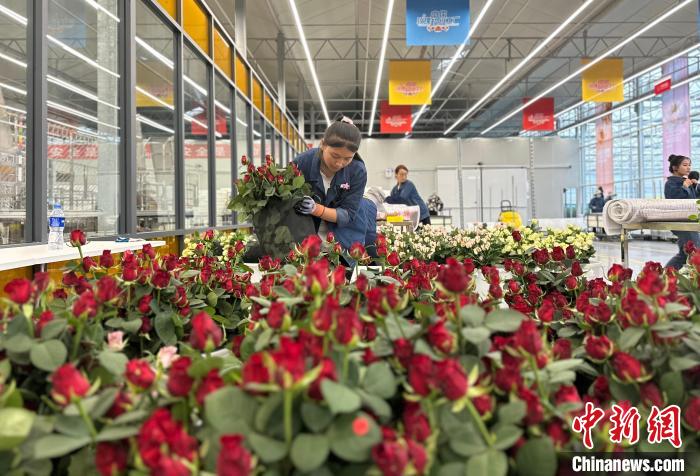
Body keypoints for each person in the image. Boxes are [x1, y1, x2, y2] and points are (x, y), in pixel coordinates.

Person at [293, 116, 368, 248]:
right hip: (306, 237)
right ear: (323, 144)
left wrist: (316, 209)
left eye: (347, 158)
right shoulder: (302, 163)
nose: (340, 163)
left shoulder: (357, 171)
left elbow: (348, 214)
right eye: (335, 156)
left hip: (343, 239)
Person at [664, 154, 700, 269]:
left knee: (685, 254)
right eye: (685, 165)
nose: (688, 168)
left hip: (690, 221)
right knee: (693, 252)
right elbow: (675, 199)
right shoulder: (671, 183)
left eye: (689, 165)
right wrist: (684, 187)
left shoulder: (687, 182)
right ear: (675, 167)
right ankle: (665, 275)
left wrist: (695, 186)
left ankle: (666, 276)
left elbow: (695, 200)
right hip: (680, 221)